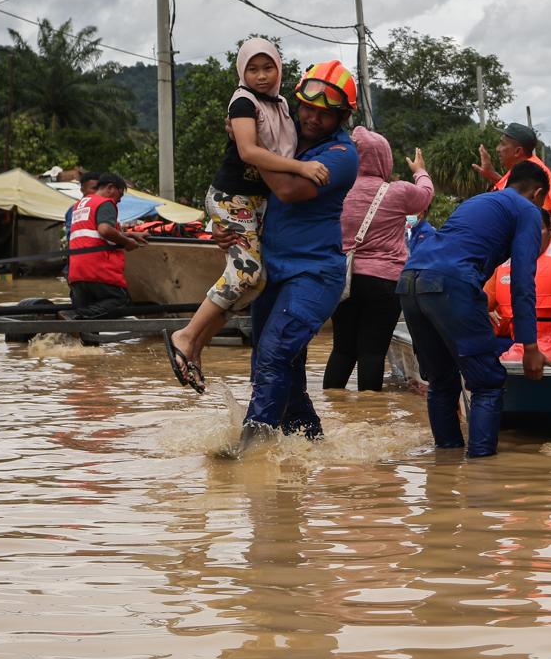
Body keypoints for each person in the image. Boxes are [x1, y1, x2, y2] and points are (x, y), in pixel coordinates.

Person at [165, 38, 331, 392]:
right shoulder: (243, 102)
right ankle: (186, 335)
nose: (260, 76)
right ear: (242, 71)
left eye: (267, 68)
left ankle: (196, 347)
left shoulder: (283, 105)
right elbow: (249, 151)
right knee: (247, 273)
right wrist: (301, 168)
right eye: (252, 69)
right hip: (233, 197)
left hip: (257, 201)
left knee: (254, 283)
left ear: (279, 69)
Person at [222, 60, 360, 451]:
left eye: (324, 113)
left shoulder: (341, 155)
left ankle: (251, 451)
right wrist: (225, 226)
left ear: (343, 116)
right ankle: (312, 449)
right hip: (273, 273)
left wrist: (252, 149)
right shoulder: (286, 139)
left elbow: (287, 191)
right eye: (306, 108)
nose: (312, 118)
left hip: (315, 275)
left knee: (274, 354)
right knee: (281, 368)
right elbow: (241, 191)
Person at [398, 161, 551, 458]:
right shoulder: (528, 211)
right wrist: (530, 346)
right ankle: (482, 470)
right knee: (487, 382)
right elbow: (523, 279)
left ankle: (445, 465)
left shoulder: (480, 201)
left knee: (442, 381)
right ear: (538, 194)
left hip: (410, 280)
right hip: (451, 282)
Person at [322, 127, 434, 392]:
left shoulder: (337, 190)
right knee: (372, 353)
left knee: (342, 349)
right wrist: (420, 170)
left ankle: (330, 406)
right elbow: (426, 195)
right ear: (384, 158)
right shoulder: (397, 192)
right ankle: (369, 417)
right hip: (384, 282)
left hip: (343, 279)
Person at [484, 207, 551, 361]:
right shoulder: (502, 265)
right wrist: (484, 311)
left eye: (536, 230)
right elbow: (478, 304)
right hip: (518, 344)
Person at [473, 122, 551, 240]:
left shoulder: (531, 172)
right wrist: (492, 175)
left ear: (518, 151)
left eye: (502, 144)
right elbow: (515, 192)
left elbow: (516, 206)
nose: (498, 149)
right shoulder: (528, 168)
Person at [66, 173, 148, 320]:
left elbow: (92, 233)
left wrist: (130, 235)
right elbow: (104, 230)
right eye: (120, 195)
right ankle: (79, 317)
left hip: (77, 273)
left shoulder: (82, 204)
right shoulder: (105, 203)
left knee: (90, 324)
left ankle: (81, 322)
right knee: (121, 302)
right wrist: (127, 243)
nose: (119, 200)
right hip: (97, 270)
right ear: (110, 188)